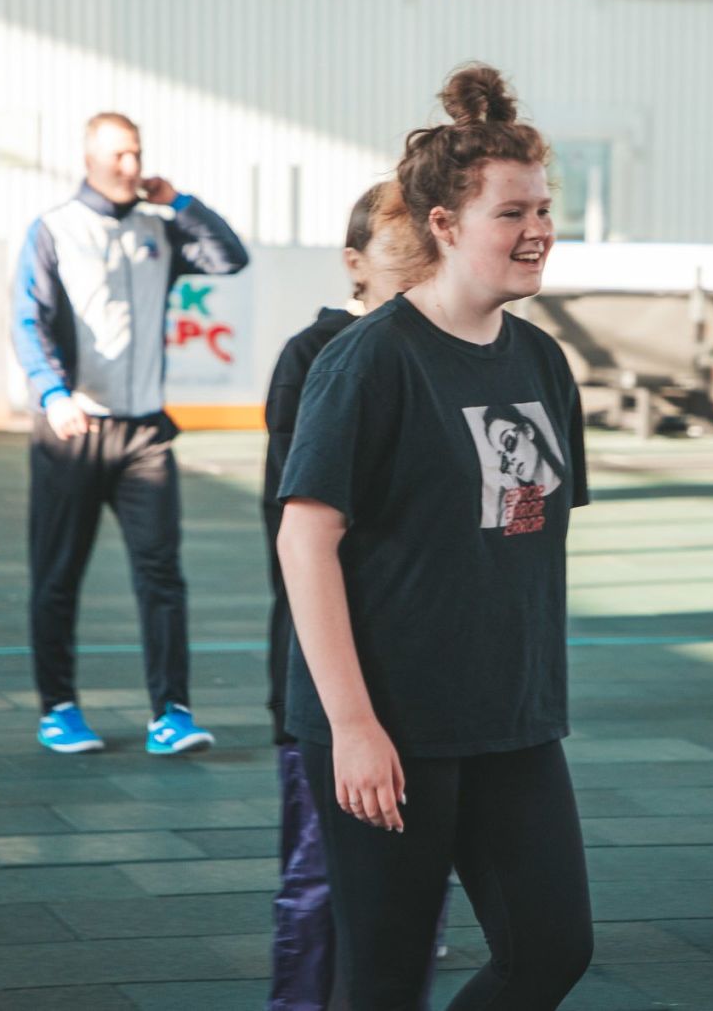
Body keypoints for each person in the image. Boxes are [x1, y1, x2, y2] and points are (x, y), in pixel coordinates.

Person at [276, 64, 594, 1010]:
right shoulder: (369, 361)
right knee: (383, 980)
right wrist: (353, 726)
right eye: (512, 212)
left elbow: (516, 544)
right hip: (392, 724)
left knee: (551, 950)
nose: (538, 229)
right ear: (446, 226)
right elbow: (304, 542)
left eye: (544, 208)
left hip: (512, 720)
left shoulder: (542, 360)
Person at [264, 180, 448, 1011]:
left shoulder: (448, 348)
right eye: (397, 255)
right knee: (320, 879)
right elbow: (302, 533)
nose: (414, 270)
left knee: (410, 892)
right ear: (355, 263)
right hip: (327, 669)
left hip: (428, 682)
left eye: (426, 255)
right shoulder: (320, 357)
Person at [12, 111, 249, 755]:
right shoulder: (54, 229)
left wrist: (182, 203)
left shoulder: (158, 229)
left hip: (145, 435)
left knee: (161, 573)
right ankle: (59, 708)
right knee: (58, 575)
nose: (130, 165)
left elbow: (230, 259)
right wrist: (53, 394)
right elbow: (28, 321)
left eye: (136, 153)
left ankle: (171, 713)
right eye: (117, 154)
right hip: (72, 429)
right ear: (88, 158)